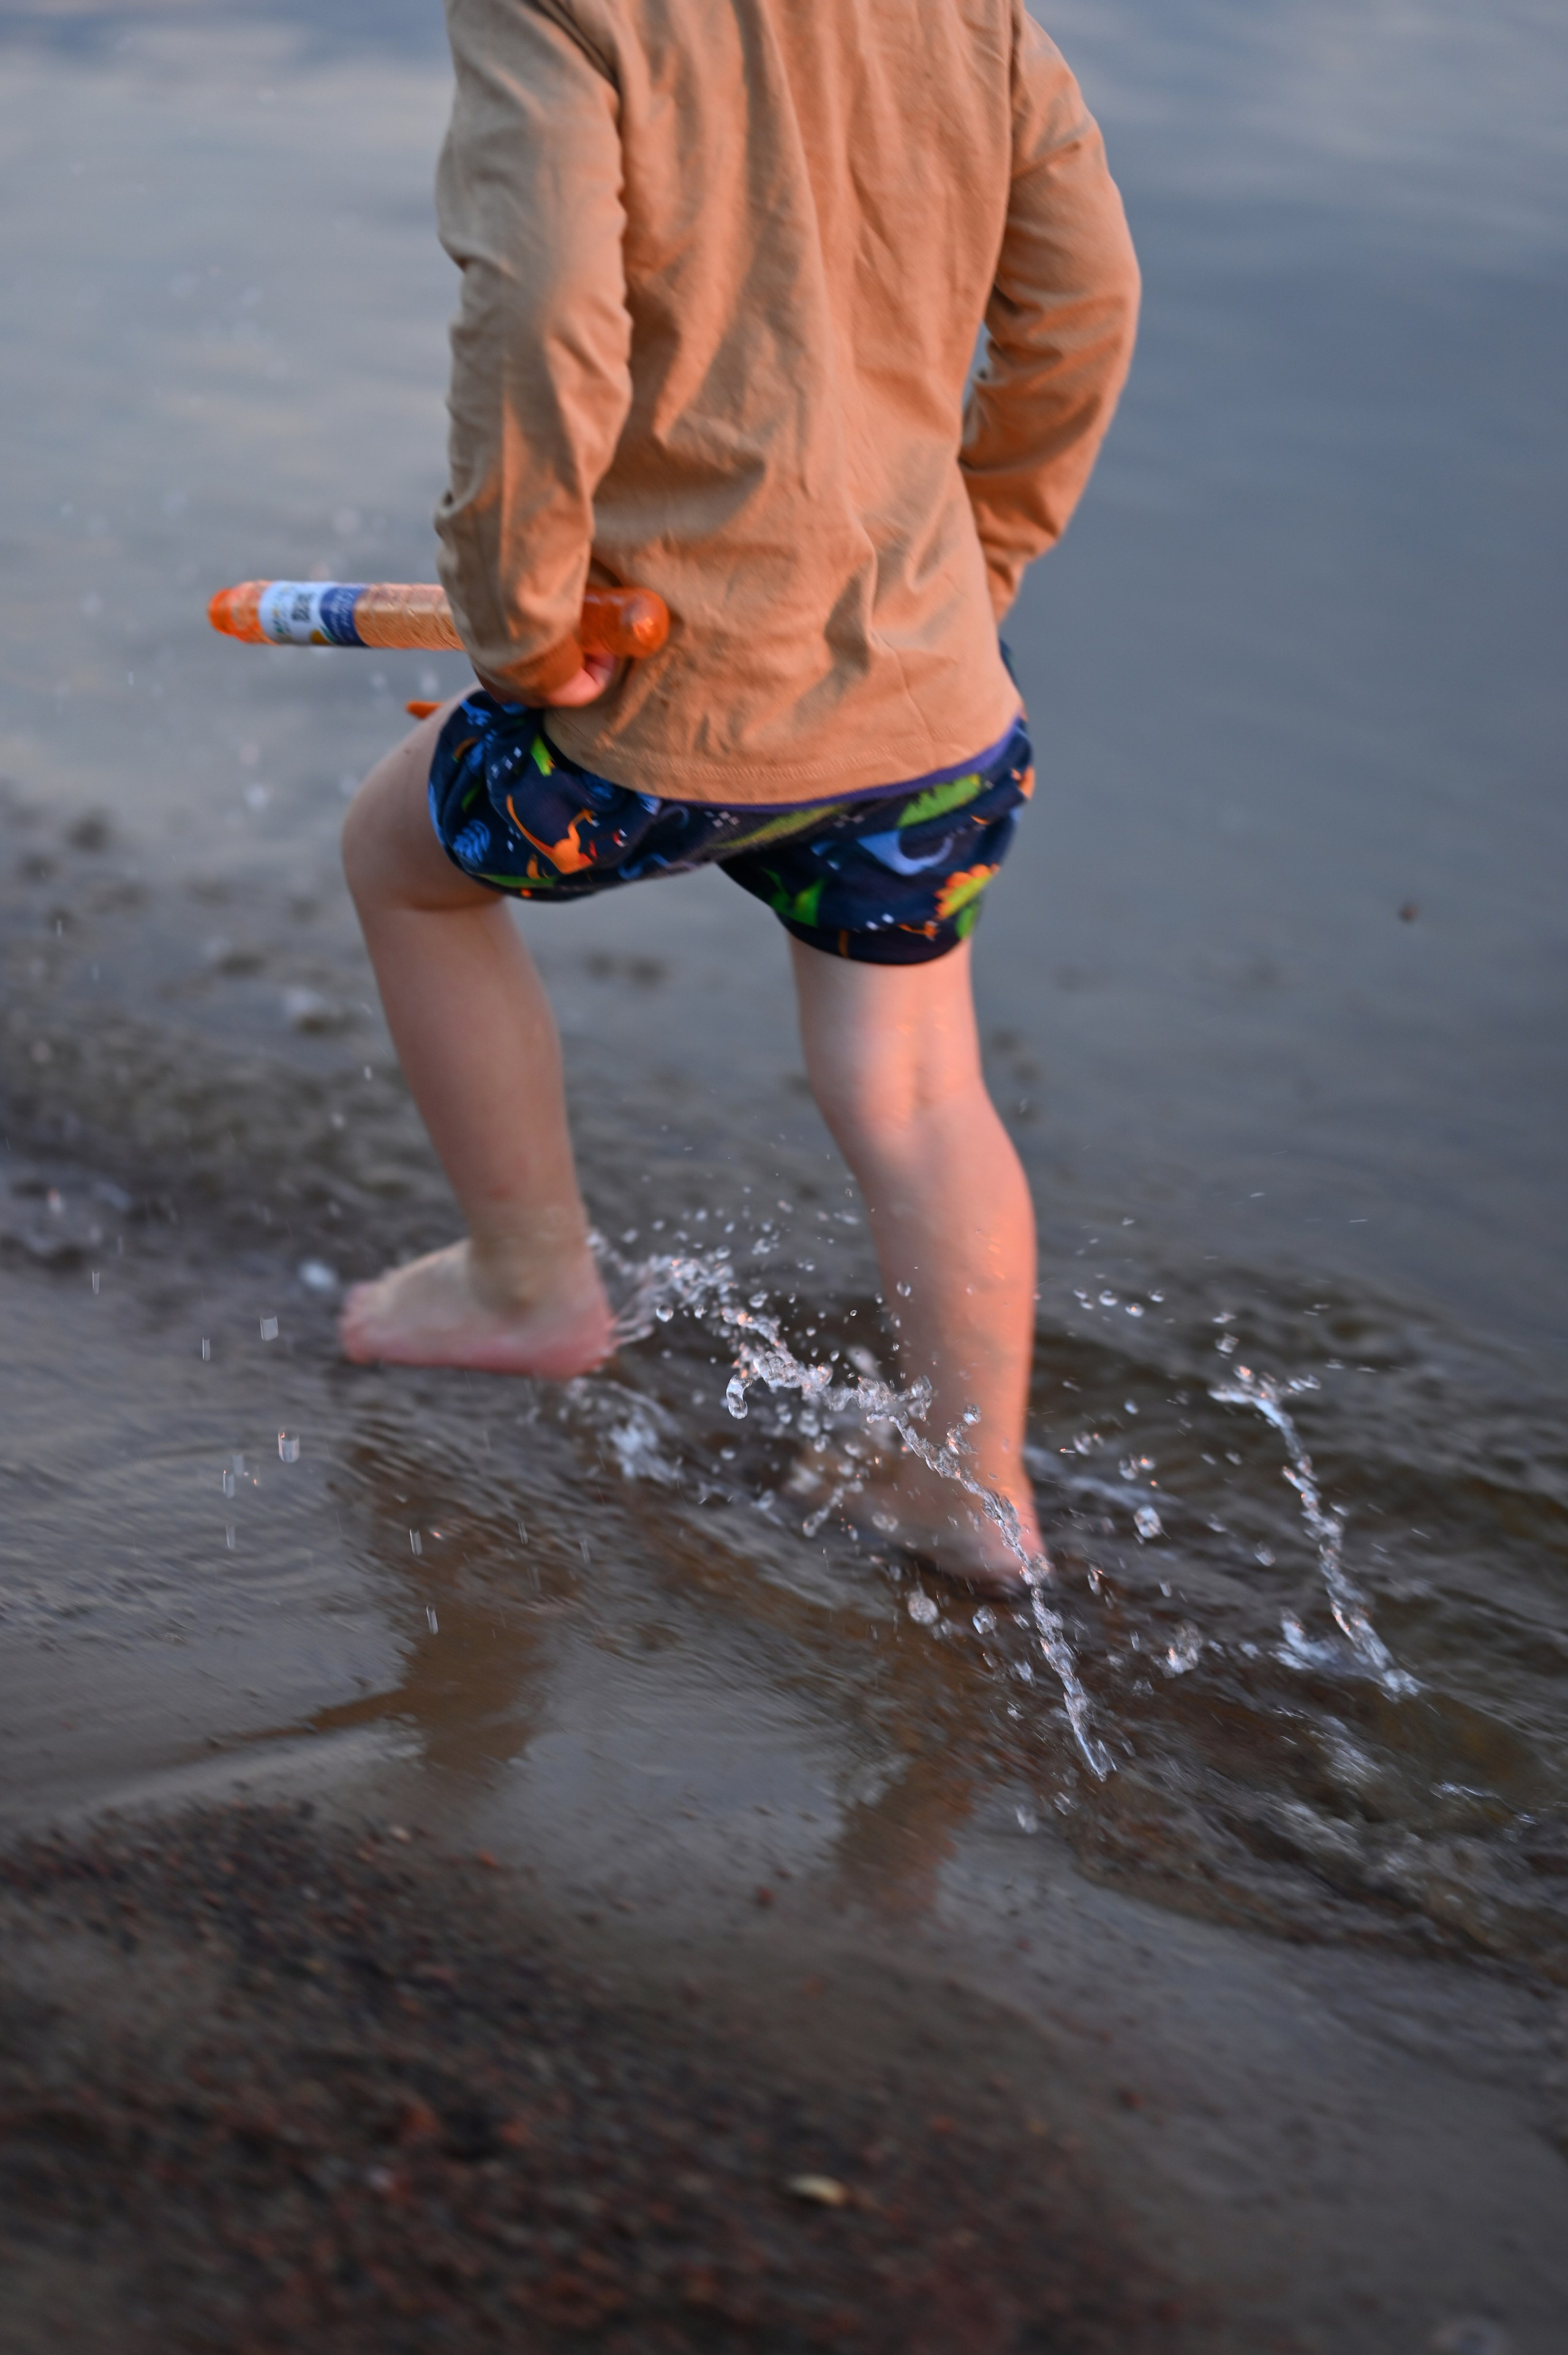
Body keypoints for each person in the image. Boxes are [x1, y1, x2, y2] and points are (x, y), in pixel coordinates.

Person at [339, 0, 1139, 1592]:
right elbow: (1085, 294)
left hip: (644, 703)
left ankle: (528, 1279)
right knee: (914, 1089)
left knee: (403, 863)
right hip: (926, 706)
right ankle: (970, 1479)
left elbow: (545, 309)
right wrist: (987, 554)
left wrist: (515, 613)